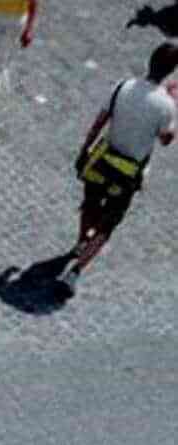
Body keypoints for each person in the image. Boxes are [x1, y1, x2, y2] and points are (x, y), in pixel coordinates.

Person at [63, 42, 178, 292]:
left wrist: (85, 149)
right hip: (128, 173)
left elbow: (100, 121)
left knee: (90, 205)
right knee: (108, 223)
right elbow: (166, 139)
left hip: (102, 159)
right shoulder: (166, 105)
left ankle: (81, 242)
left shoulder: (123, 86)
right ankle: (75, 271)